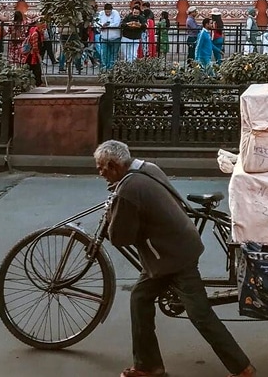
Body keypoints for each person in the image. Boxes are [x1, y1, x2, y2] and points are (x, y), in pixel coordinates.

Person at [94, 140, 255, 377]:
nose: (99, 173)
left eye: (101, 167)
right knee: (140, 298)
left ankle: (243, 368)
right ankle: (148, 366)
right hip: (172, 249)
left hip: (173, 257)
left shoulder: (128, 189)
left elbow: (119, 237)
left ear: (113, 165)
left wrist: (111, 214)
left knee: (200, 314)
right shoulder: (147, 168)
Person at [98, 2, 122, 71]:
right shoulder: (101, 13)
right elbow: (97, 22)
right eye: (106, 12)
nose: (107, 14)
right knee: (104, 54)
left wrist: (107, 26)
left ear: (111, 10)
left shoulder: (115, 13)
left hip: (115, 37)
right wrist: (102, 25)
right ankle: (105, 67)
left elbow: (116, 23)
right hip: (104, 37)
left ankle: (111, 68)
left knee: (113, 54)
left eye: (109, 12)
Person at [25, 18, 47, 87]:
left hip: (35, 54)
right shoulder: (35, 33)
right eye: (43, 28)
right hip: (33, 54)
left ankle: (36, 82)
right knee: (36, 68)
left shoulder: (39, 33)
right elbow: (35, 46)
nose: (44, 30)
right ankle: (38, 83)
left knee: (34, 68)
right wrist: (38, 55)